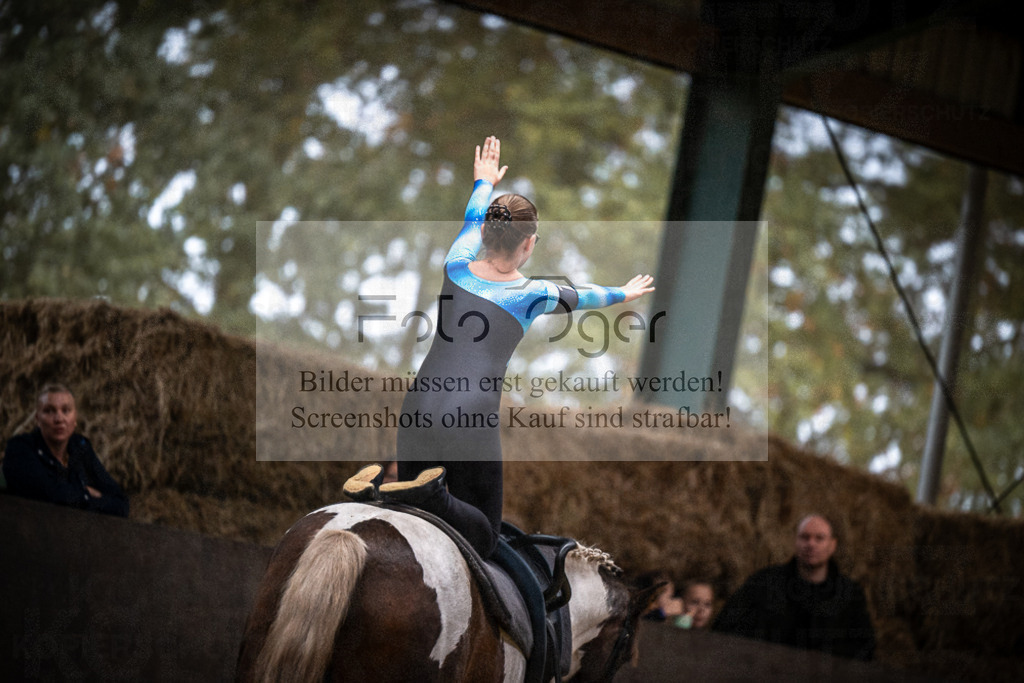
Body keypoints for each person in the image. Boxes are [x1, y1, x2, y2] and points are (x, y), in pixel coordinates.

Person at [344, 136, 655, 557]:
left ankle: (374, 493)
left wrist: (483, 181)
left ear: (487, 232)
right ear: (528, 244)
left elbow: (473, 216)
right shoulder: (531, 293)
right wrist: (623, 293)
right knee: (485, 534)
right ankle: (432, 496)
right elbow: (587, 295)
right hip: (469, 415)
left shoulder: (456, 263)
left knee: (408, 505)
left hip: (418, 405)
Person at [712, 514, 875, 660]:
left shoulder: (849, 595)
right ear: (796, 542)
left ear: (832, 545)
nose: (811, 544)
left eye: (819, 538)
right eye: (805, 537)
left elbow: (864, 648)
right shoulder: (764, 583)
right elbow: (726, 627)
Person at [3, 384, 129, 517]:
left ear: (75, 419)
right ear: (37, 419)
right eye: (49, 411)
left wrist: (79, 498)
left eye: (66, 410)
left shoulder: (80, 448)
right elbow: (48, 496)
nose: (59, 419)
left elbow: (121, 504)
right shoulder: (20, 448)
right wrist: (87, 495)